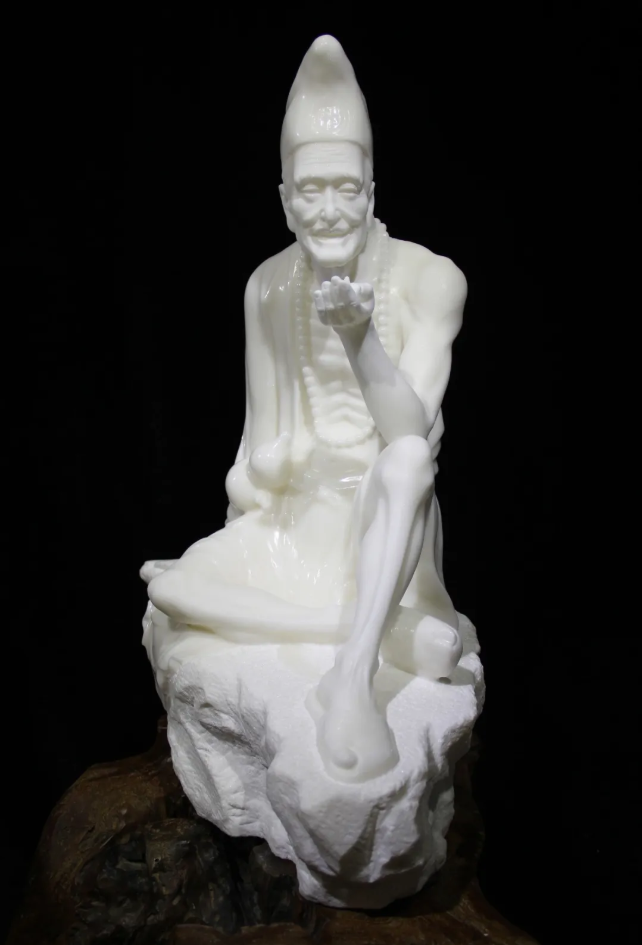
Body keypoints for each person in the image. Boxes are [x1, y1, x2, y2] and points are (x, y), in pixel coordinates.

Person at [142, 35, 467, 782]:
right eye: (309, 191)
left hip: (387, 524)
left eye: (345, 189)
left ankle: (350, 675)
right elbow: (257, 447)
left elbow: (411, 433)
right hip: (298, 524)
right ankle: (382, 633)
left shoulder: (430, 279)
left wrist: (358, 338)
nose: (328, 210)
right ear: (286, 200)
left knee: (407, 460)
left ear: (371, 191)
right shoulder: (267, 288)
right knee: (170, 588)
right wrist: (251, 499)